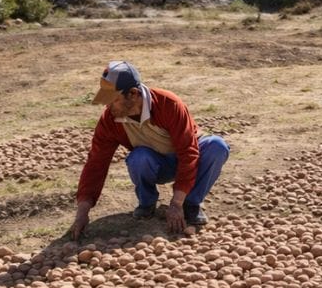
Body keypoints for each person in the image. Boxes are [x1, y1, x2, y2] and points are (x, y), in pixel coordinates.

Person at [70, 61, 229, 240]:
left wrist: (176, 203)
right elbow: (96, 164)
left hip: (189, 162)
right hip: (157, 164)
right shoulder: (110, 120)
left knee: (217, 146)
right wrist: (82, 211)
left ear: (133, 93)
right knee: (139, 158)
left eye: (113, 100)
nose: (108, 106)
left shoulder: (169, 104)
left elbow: (188, 153)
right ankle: (147, 203)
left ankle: (191, 204)